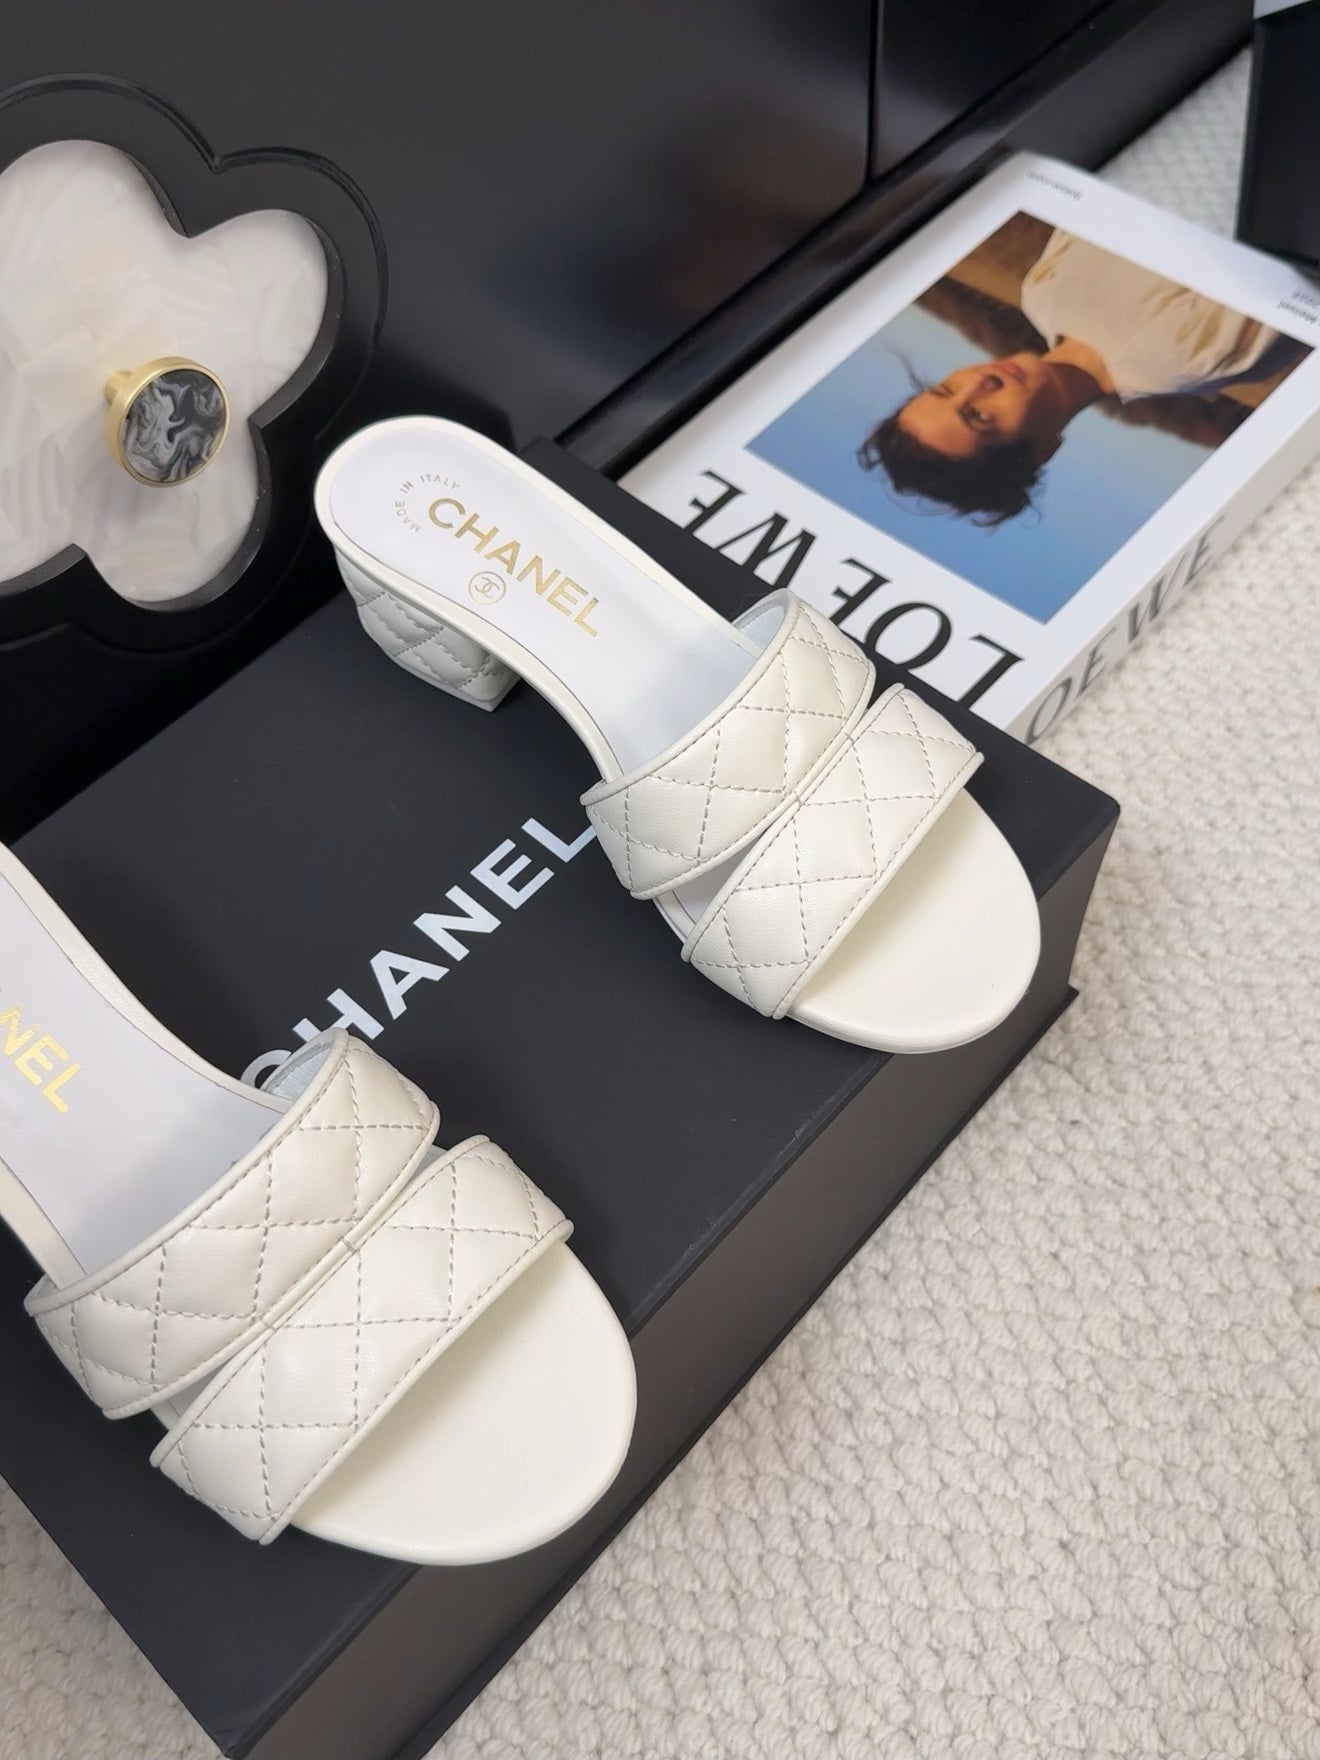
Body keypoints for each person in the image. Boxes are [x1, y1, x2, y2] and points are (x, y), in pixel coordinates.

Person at [860, 228, 1289, 527]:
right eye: (980, 417)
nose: (980, 382)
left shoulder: (1041, 295)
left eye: (945, 388)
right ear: (1041, 449)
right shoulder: (1189, 358)